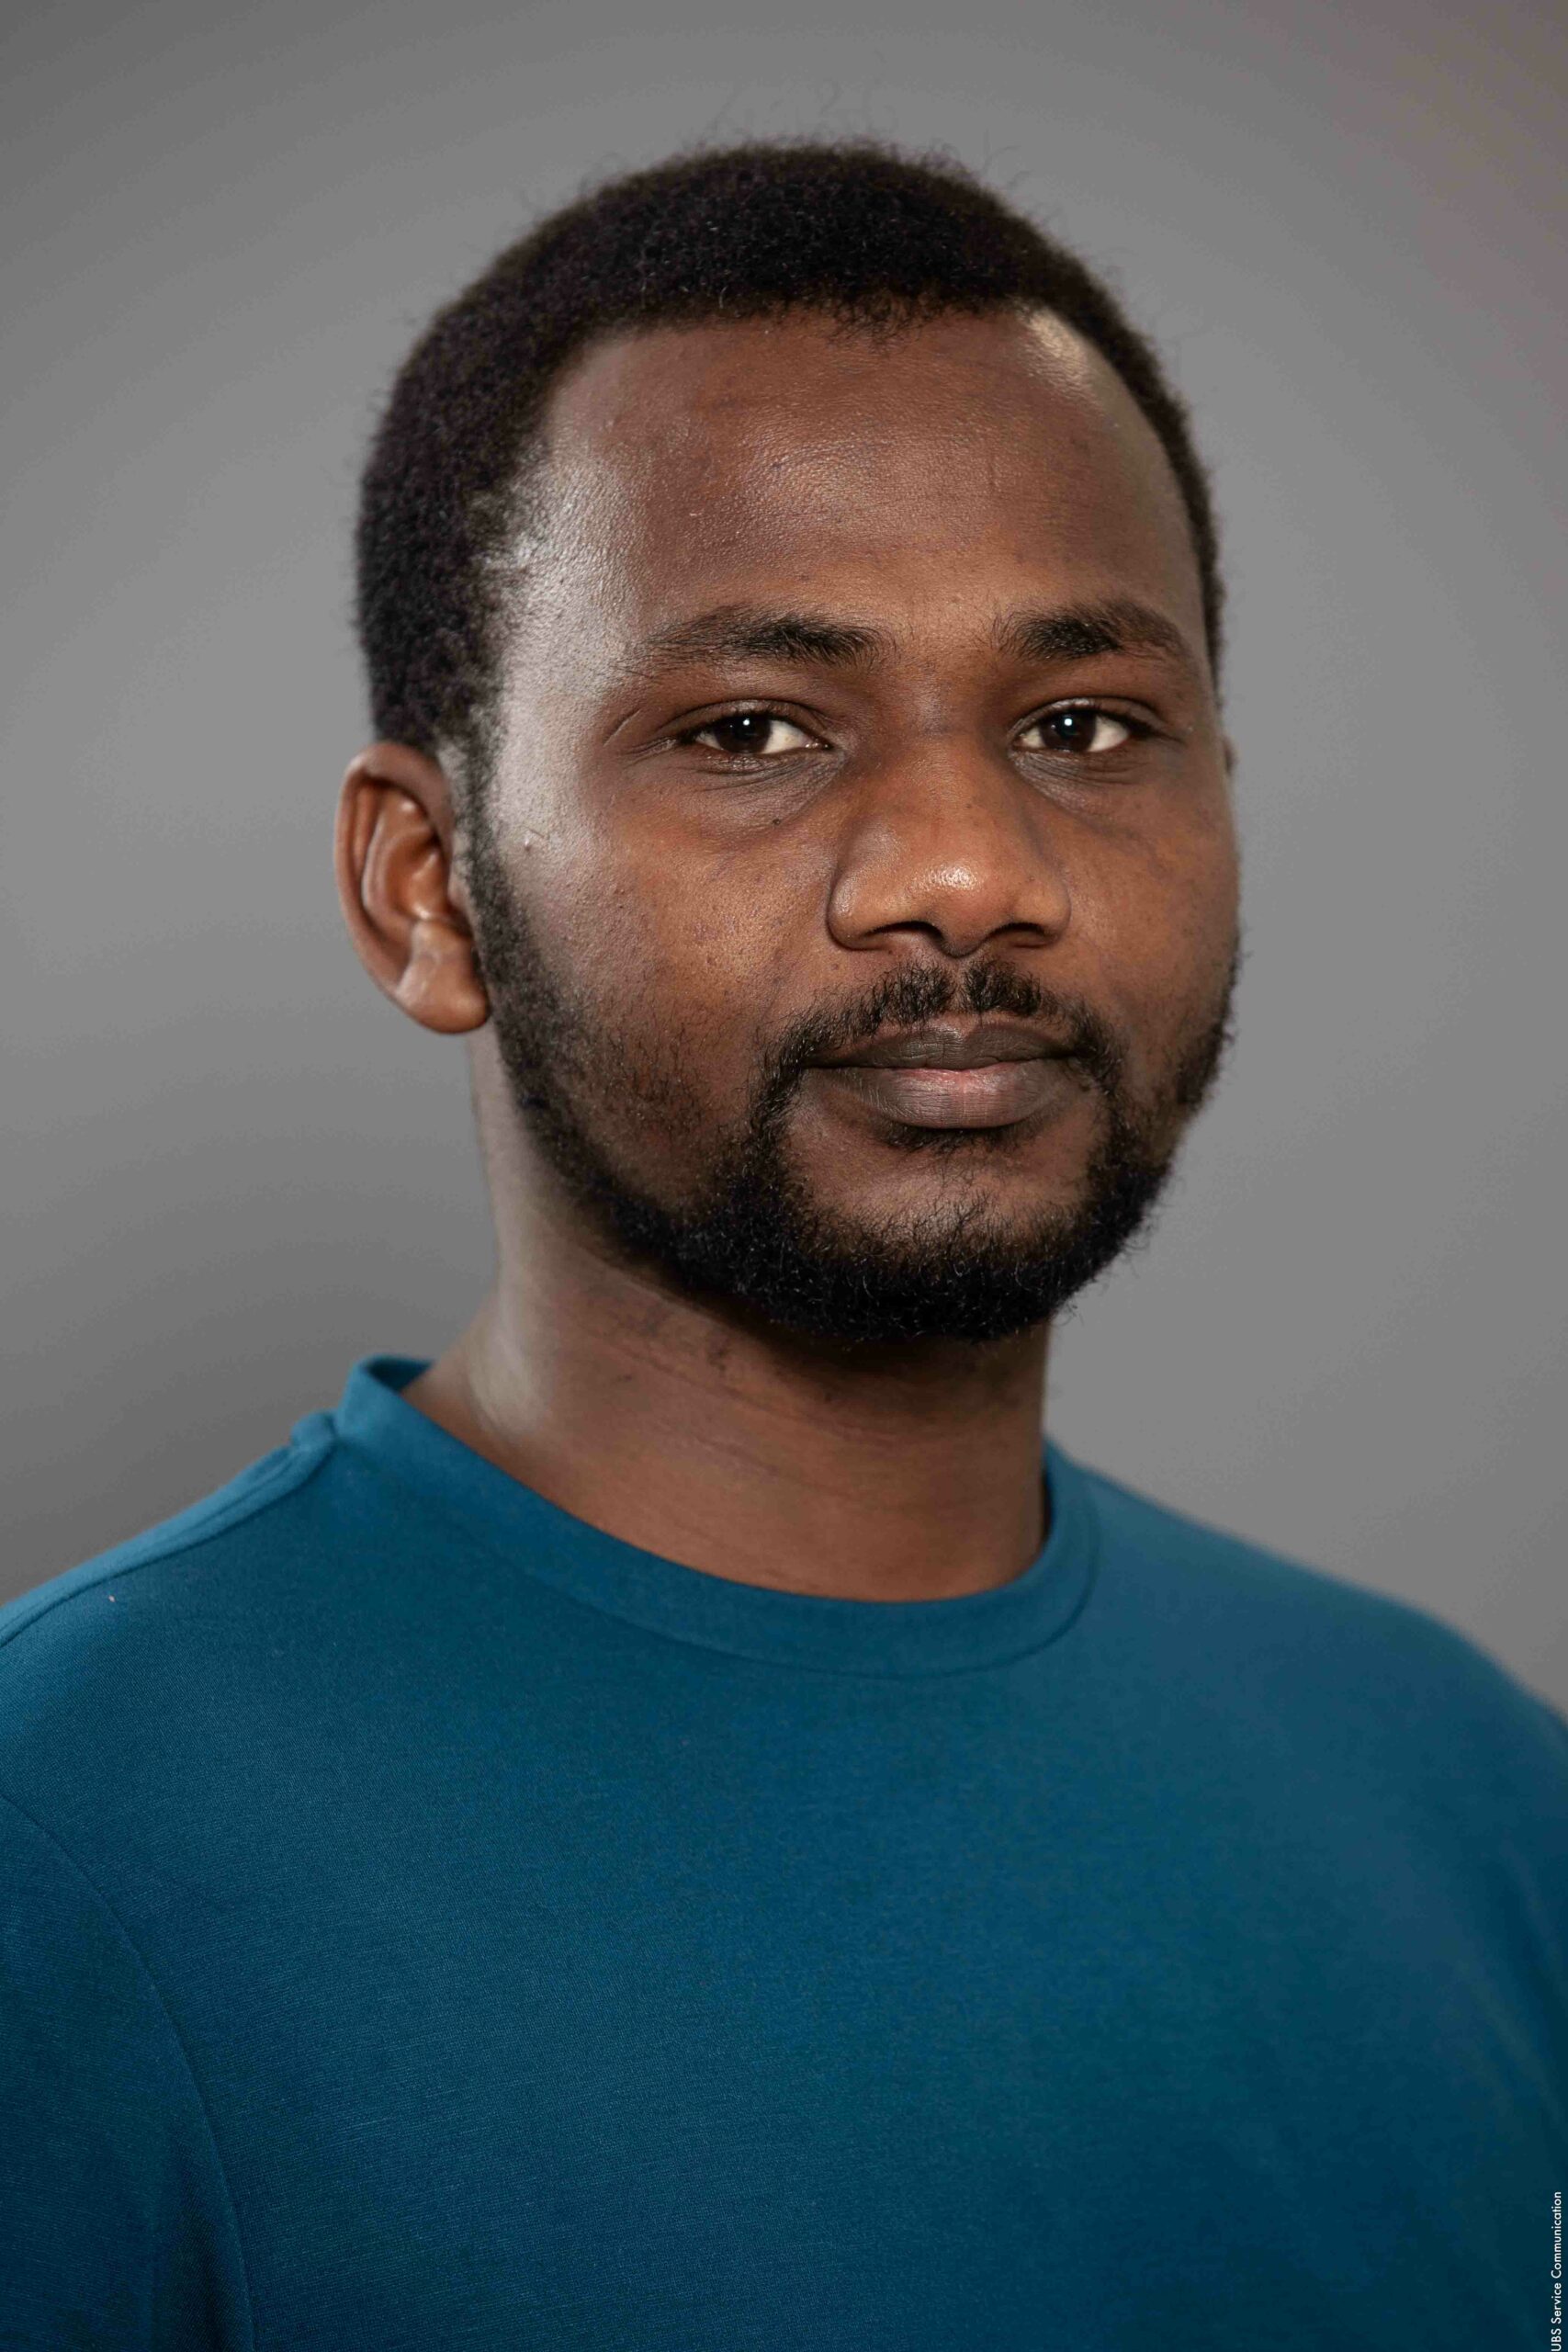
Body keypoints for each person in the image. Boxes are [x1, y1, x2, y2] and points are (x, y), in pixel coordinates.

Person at [1, 140, 1562, 2351]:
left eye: (1080, 725)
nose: (962, 869)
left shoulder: (1475, 1791)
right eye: (748, 729)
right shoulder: (59, 1834)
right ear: (424, 887)